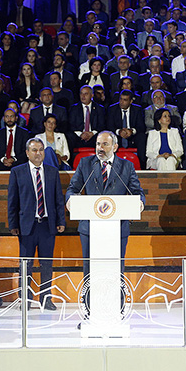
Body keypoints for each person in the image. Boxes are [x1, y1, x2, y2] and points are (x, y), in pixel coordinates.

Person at [64, 131, 145, 321]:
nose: (100, 148)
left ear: (115, 147)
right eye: (98, 144)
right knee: (90, 271)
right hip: (90, 229)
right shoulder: (86, 164)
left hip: (117, 229)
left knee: (116, 270)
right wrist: (70, 200)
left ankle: (116, 312)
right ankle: (89, 314)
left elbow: (137, 191)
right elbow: (73, 189)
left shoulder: (126, 166)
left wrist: (139, 202)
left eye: (105, 144)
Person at [7, 137, 66, 310]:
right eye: (34, 150)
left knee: (47, 264)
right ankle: (25, 298)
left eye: (41, 150)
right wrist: (13, 224)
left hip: (47, 225)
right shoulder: (18, 172)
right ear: (27, 153)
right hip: (27, 226)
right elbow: (13, 200)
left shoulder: (52, 171)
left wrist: (61, 220)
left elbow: (58, 199)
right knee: (25, 264)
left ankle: (46, 298)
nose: (38, 153)